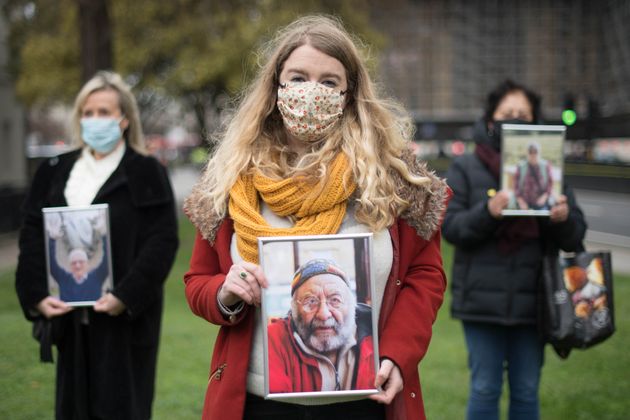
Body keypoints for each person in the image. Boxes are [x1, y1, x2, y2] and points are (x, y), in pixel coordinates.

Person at [183, 15, 450, 420]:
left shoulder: (392, 178)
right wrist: (226, 292)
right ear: (275, 89)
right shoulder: (231, 181)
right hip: (258, 403)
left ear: (349, 94)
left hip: (363, 402)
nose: (312, 91)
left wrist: (398, 356)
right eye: (297, 77)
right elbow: (198, 283)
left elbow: (425, 278)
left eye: (329, 82)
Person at [15, 71, 179, 420]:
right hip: (69, 321)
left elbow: (162, 240)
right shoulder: (55, 170)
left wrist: (126, 295)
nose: (94, 121)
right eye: (87, 113)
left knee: (124, 410)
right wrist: (35, 296)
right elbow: (32, 234)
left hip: (124, 323)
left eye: (104, 112)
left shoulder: (147, 171)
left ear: (123, 120)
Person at [442, 79, 587, 420]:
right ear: (491, 119)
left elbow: (575, 236)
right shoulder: (466, 167)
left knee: (525, 390)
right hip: (481, 303)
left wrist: (562, 218)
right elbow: (451, 228)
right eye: (508, 113)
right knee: (484, 388)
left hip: (534, 302)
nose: (516, 118)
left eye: (524, 113)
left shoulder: (551, 170)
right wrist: (488, 213)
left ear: (536, 122)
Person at [267, 259, 375, 393]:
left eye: (335, 300)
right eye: (311, 301)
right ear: (294, 309)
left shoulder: (376, 332)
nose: (324, 314)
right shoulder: (274, 339)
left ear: (351, 305)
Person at [48, 235, 108, 303]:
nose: (77, 266)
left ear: (87, 264)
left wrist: (104, 236)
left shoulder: (97, 277)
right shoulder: (63, 278)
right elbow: (50, 262)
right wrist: (52, 240)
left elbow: (107, 260)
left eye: (81, 262)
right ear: (70, 265)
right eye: (74, 263)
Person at [513, 141, 554, 210]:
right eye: (530, 152)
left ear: (539, 153)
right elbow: (516, 186)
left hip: (541, 202)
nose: (533, 155)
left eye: (535, 152)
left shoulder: (546, 165)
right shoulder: (520, 166)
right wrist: (521, 201)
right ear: (527, 153)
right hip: (524, 202)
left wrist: (544, 197)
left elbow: (550, 184)